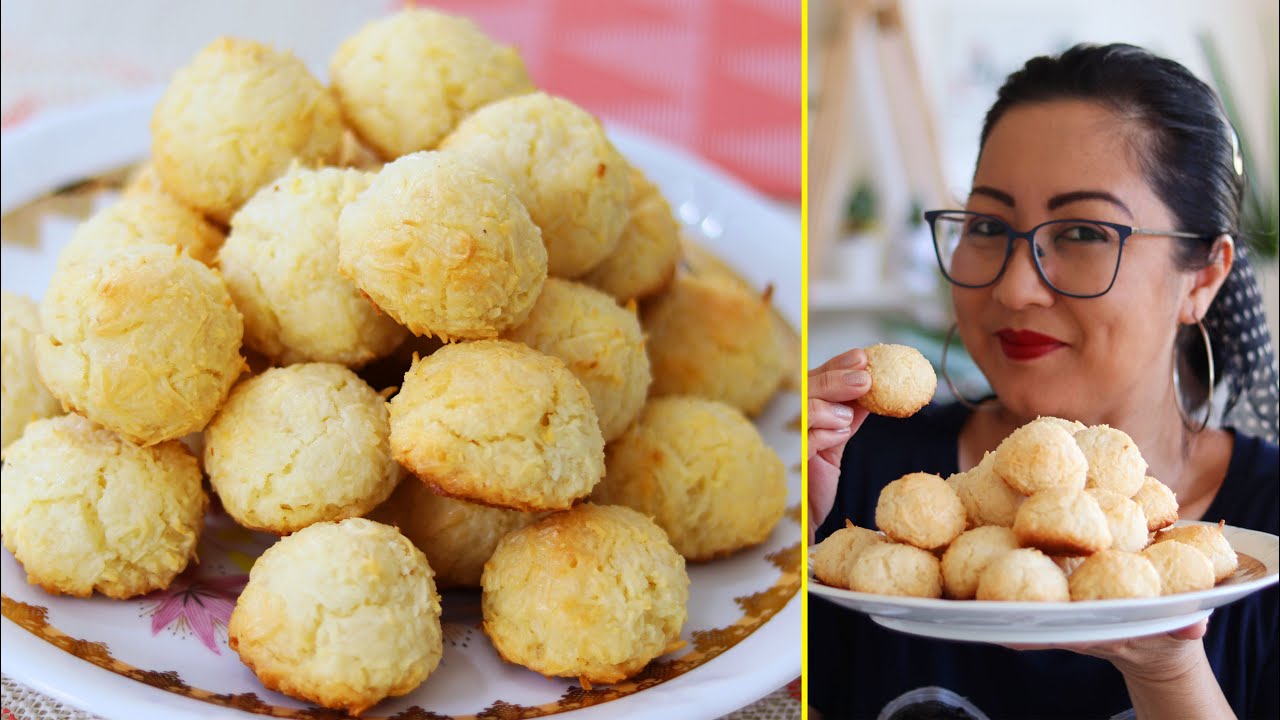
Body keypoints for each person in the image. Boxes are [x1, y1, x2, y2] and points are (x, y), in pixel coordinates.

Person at [807, 43, 1279, 720]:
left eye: (1085, 230)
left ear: (1202, 277)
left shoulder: (1264, 532)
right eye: (989, 225)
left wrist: (1170, 672)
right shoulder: (864, 480)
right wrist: (786, 544)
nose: (1015, 285)